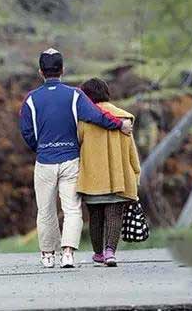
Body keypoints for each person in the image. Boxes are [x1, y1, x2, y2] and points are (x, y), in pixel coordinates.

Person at [19, 48, 133, 268]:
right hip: (71, 159)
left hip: (44, 161)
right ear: (63, 70)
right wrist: (120, 124)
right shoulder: (75, 95)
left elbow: (26, 131)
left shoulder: (31, 99)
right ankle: (68, 253)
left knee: (45, 210)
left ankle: (47, 255)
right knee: (72, 208)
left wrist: (39, 148)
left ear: (40, 71)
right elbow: (97, 116)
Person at [76, 78, 141, 267]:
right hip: (118, 177)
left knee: (95, 217)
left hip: (92, 179)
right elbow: (131, 150)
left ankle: (98, 254)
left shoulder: (84, 120)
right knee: (114, 216)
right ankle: (110, 252)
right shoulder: (123, 118)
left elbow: (77, 145)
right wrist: (136, 172)